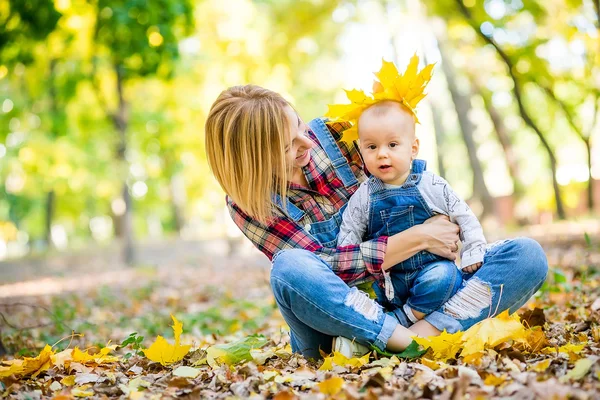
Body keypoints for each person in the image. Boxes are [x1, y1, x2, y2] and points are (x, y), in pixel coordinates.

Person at [204, 81, 548, 360]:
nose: (306, 142)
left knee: (526, 255)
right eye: (287, 146)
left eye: (299, 125)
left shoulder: (336, 137)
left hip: (417, 291)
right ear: (255, 161)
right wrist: (419, 237)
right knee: (290, 268)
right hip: (340, 322)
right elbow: (326, 271)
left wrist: (438, 235)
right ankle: (408, 337)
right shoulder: (250, 203)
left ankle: (414, 340)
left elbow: (417, 189)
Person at [334, 58, 486, 329]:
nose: (382, 153)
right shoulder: (364, 196)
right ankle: (404, 321)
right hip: (388, 282)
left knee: (446, 277)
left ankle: (403, 320)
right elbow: (349, 234)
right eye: (371, 147)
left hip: (430, 272)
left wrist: (474, 250)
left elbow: (464, 215)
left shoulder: (431, 184)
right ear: (361, 149)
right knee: (366, 298)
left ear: (413, 147)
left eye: (393, 144)